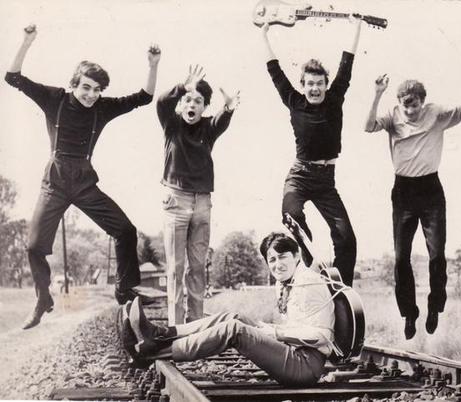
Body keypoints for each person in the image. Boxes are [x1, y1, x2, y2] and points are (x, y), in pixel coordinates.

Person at [5, 25, 161, 329]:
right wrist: (26, 41)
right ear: (74, 84)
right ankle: (43, 298)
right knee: (34, 245)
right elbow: (13, 77)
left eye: (97, 90)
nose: (91, 95)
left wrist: (153, 66)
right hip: (55, 181)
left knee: (126, 231)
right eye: (86, 87)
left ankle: (125, 290)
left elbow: (143, 97)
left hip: (84, 181)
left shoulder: (102, 108)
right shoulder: (54, 99)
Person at [121, 232, 339, 386]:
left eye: (282, 257)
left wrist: (276, 333)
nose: (276, 265)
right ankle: (161, 334)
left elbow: (324, 337)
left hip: (304, 367)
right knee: (233, 316)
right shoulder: (287, 281)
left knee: (234, 329)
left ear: (297, 256)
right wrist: (274, 332)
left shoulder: (309, 283)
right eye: (271, 260)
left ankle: (153, 352)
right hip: (293, 351)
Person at [364, 63, 461, 339]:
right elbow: (368, 126)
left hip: (430, 191)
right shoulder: (393, 116)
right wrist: (377, 94)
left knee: (437, 254)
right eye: (406, 107)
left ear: (422, 102)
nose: (410, 112)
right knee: (401, 258)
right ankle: (409, 313)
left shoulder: (436, 114)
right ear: (399, 104)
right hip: (403, 192)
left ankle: (434, 307)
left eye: (415, 106)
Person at [261, 19, 363, 286]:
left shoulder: (334, 99)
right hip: (300, 176)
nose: (315, 88)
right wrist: (264, 35)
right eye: (310, 84)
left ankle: (341, 289)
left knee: (347, 238)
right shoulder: (294, 101)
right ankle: (310, 265)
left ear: (326, 85)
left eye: (319, 83)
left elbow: (347, 65)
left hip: (326, 181)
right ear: (303, 85)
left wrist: (356, 27)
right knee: (291, 215)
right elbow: (275, 71)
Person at [156, 65, 240, 324]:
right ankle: (175, 327)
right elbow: (161, 103)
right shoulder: (171, 124)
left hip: (202, 202)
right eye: (188, 100)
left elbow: (221, 120)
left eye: (198, 101)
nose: (192, 104)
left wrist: (228, 108)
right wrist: (184, 85)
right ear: (181, 104)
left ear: (204, 107)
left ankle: (195, 324)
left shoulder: (208, 128)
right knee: (175, 267)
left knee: (197, 267)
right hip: (176, 200)